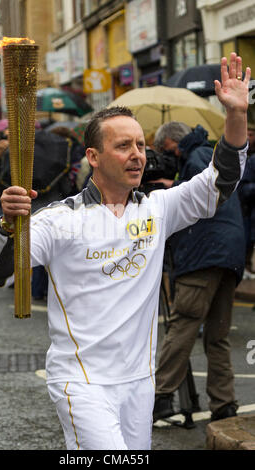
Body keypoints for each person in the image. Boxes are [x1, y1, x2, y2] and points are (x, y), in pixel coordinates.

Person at [0, 54, 250, 449]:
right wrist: (9, 224)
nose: (137, 154)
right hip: (82, 382)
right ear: (93, 157)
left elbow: (221, 182)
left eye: (141, 144)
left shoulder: (158, 208)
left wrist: (236, 115)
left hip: (139, 382)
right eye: (123, 145)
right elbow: (3, 271)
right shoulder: (61, 219)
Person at [152, 118, 246, 423]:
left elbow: (202, 199)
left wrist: (173, 188)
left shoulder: (196, 157)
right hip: (228, 256)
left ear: (172, 142)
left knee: (183, 324)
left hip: (204, 253)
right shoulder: (205, 154)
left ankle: (161, 396)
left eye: (164, 149)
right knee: (217, 335)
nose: (165, 155)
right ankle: (224, 403)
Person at [237, 123, 255, 277]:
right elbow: (244, 190)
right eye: (247, 134)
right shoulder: (251, 161)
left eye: (252, 135)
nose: (249, 138)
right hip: (248, 212)